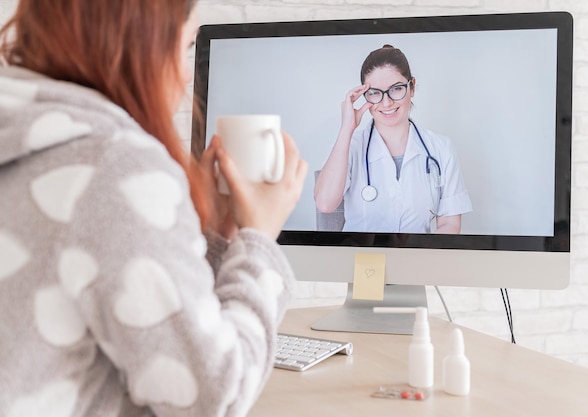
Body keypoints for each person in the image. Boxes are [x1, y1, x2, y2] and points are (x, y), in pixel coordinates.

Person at [0, 1, 307, 416]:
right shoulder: (113, 168)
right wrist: (259, 241)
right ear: (140, 47)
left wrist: (213, 236)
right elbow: (213, 396)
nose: (185, 74)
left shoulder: (22, 131)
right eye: (185, 48)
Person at [314, 44, 471, 233]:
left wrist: (423, 261)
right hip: (359, 260)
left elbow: (449, 224)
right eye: (374, 93)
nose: (386, 102)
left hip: (417, 258)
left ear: (411, 87)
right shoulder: (349, 145)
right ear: (365, 96)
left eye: (396, 89)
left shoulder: (441, 148)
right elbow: (325, 204)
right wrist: (347, 128)